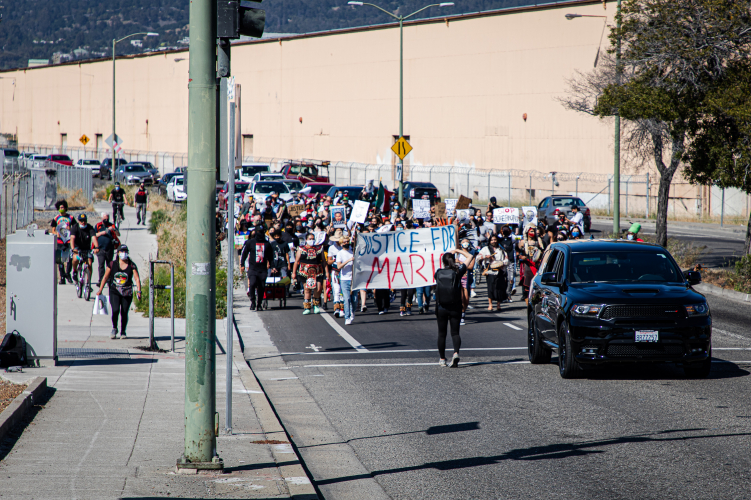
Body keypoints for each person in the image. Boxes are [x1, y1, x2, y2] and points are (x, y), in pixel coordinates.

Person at [434, 247, 475, 367]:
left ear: (443, 262)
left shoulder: (438, 272)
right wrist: (458, 250)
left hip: (441, 307)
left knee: (442, 334)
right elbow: (470, 257)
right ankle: (456, 353)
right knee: (455, 333)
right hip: (455, 306)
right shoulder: (458, 271)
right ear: (453, 260)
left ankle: (442, 359)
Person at [96, 244, 142, 339]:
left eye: (125, 251)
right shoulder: (113, 264)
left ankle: (123, 331)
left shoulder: (131, 265)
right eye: (122, 251)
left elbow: (137, 279)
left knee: (124, 312)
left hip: (127, 291)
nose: (124, 253)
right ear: (118, 253)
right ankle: (114, 328)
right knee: (115, 310)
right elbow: (105, 277)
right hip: (115, 290)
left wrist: (139, 291)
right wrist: (100, 289)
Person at [292, 231, 329, 315]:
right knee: (307, 289)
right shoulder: (301, 248)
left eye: (313, 239)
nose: (311, 240)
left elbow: (324, 261)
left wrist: (326, 272)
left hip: (317, 271)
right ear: (306, 239)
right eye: (310, 239)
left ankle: (316, 305)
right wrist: (293, 273)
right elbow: (296, 261)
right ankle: (307, 307)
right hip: (305, 271)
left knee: (318, 288)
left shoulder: (319, 248)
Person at [240, 225, 274, 311]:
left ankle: (259, 304)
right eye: (258, 232)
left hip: (262, 269)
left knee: (261, 286)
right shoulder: (250, 242)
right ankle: (253, 302)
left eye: (261, 232)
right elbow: (244, 253)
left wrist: (272, 266)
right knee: (252, 284)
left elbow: (270, 256)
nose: (260, 234)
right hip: (253, 268)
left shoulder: (267, 244)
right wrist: (242, 264)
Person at [478, 234, 509, 311]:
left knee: (500, 288)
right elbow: (478, 257)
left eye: (495, 240)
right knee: (490, 288)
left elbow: (507, 259)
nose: (493, 241)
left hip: (500, 270)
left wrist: (502, 263)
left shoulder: (501, 249)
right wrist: (485, 256)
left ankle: (498, 305)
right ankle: (490, 304)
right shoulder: (485, 249)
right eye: (492, 240)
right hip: (490, 271)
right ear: (489, 241)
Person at [69, 214, 99, 289]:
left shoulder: (90, 228)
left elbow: (94, 238)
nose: (83, 222)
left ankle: (88, 284)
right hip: (77, 248)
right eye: (81, 221)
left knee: (89, 263)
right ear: (78, 221)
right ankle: (75, 271)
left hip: (86, 249)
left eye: (84, 220)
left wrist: (97, 247)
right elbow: (72, 238)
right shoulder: (75, 227)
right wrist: (73, 249)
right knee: (75, 259)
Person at [50, 199, 75, 285]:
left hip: (68, 241)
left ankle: (68, 273)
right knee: (60, 260)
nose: (62, 209)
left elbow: (75, 229)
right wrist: (56, 233)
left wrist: (70, 230)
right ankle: (62, 277)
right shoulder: (56, 218)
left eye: (63, 207)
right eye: (60, 207)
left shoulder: (70, 218)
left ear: (66, 208)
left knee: (70, 258)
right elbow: (53, 230)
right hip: (60, 241)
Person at [518, 223, 544, 304]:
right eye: (531, 231)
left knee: (536, 282)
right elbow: (518, 253)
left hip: (536, 264)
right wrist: (521, 257)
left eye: (534, 231)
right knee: (527, 283)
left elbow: (543, 250)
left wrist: (539, 255)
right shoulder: (523, 242)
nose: (533, 233)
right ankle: (528, 301)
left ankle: (536, 299)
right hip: (527, 264)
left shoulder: (538, 240)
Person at [335, 231, 356, 325]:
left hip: (354, 279)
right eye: (344, 242)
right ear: (341, 243)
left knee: (354, 300)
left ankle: (352, 312)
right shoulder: (340, 253)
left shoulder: (353, 251)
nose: (346, 243)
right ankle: (347, 317)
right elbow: (339, 267)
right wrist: (348, 260)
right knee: (346, 299)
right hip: (344, 279)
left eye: (347, 241)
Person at [95, 213, 120, 285]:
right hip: (100, 249)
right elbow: (94, 235)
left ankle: (109, 280)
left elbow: (118, 234)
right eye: (104, 219)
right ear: (102, 218)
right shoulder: (98, 226)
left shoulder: (111, 225)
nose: (106, 220)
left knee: (109, 265)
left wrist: (114, 230)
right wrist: (104, 232)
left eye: (107, 219)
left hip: (110, 249)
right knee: (101, 265)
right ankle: (101, 280)